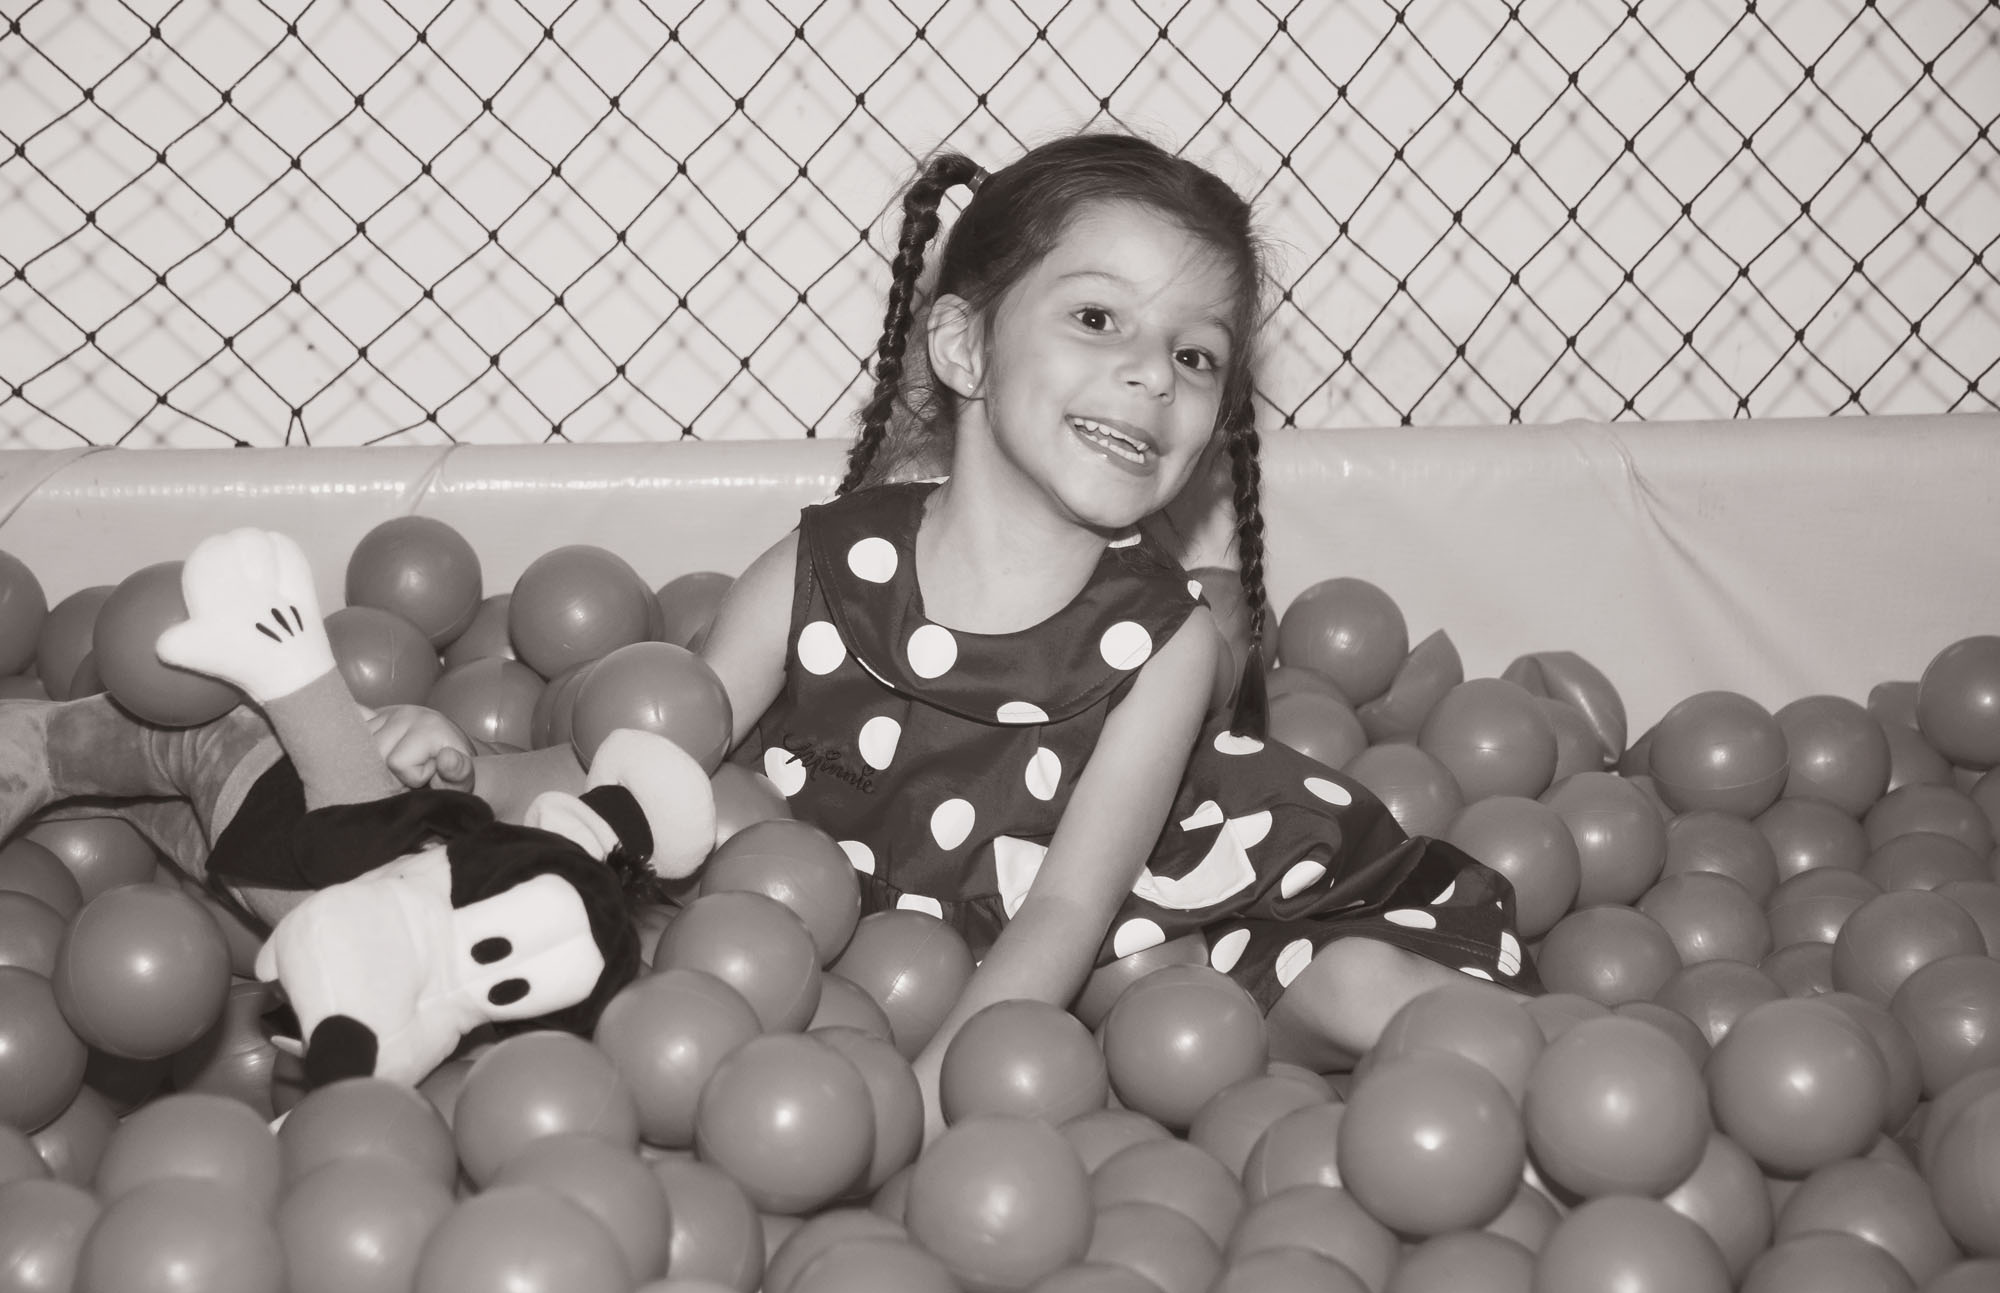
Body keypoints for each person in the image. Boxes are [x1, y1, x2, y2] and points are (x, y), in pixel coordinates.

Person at [1, 133, 1536, 1127]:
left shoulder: (1165, 640)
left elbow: (1067, 919)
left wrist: (922, 1103)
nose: (1153, 374)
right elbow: (638, 762)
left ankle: (1569, 1091)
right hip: (863, 911)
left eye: (1199, 356)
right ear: (960, 344)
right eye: (1097, 319)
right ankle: (162, 777)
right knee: (575, 880)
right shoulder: (829, 561)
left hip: (1213, 914)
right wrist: (443, 759)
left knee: (1356, 1005)